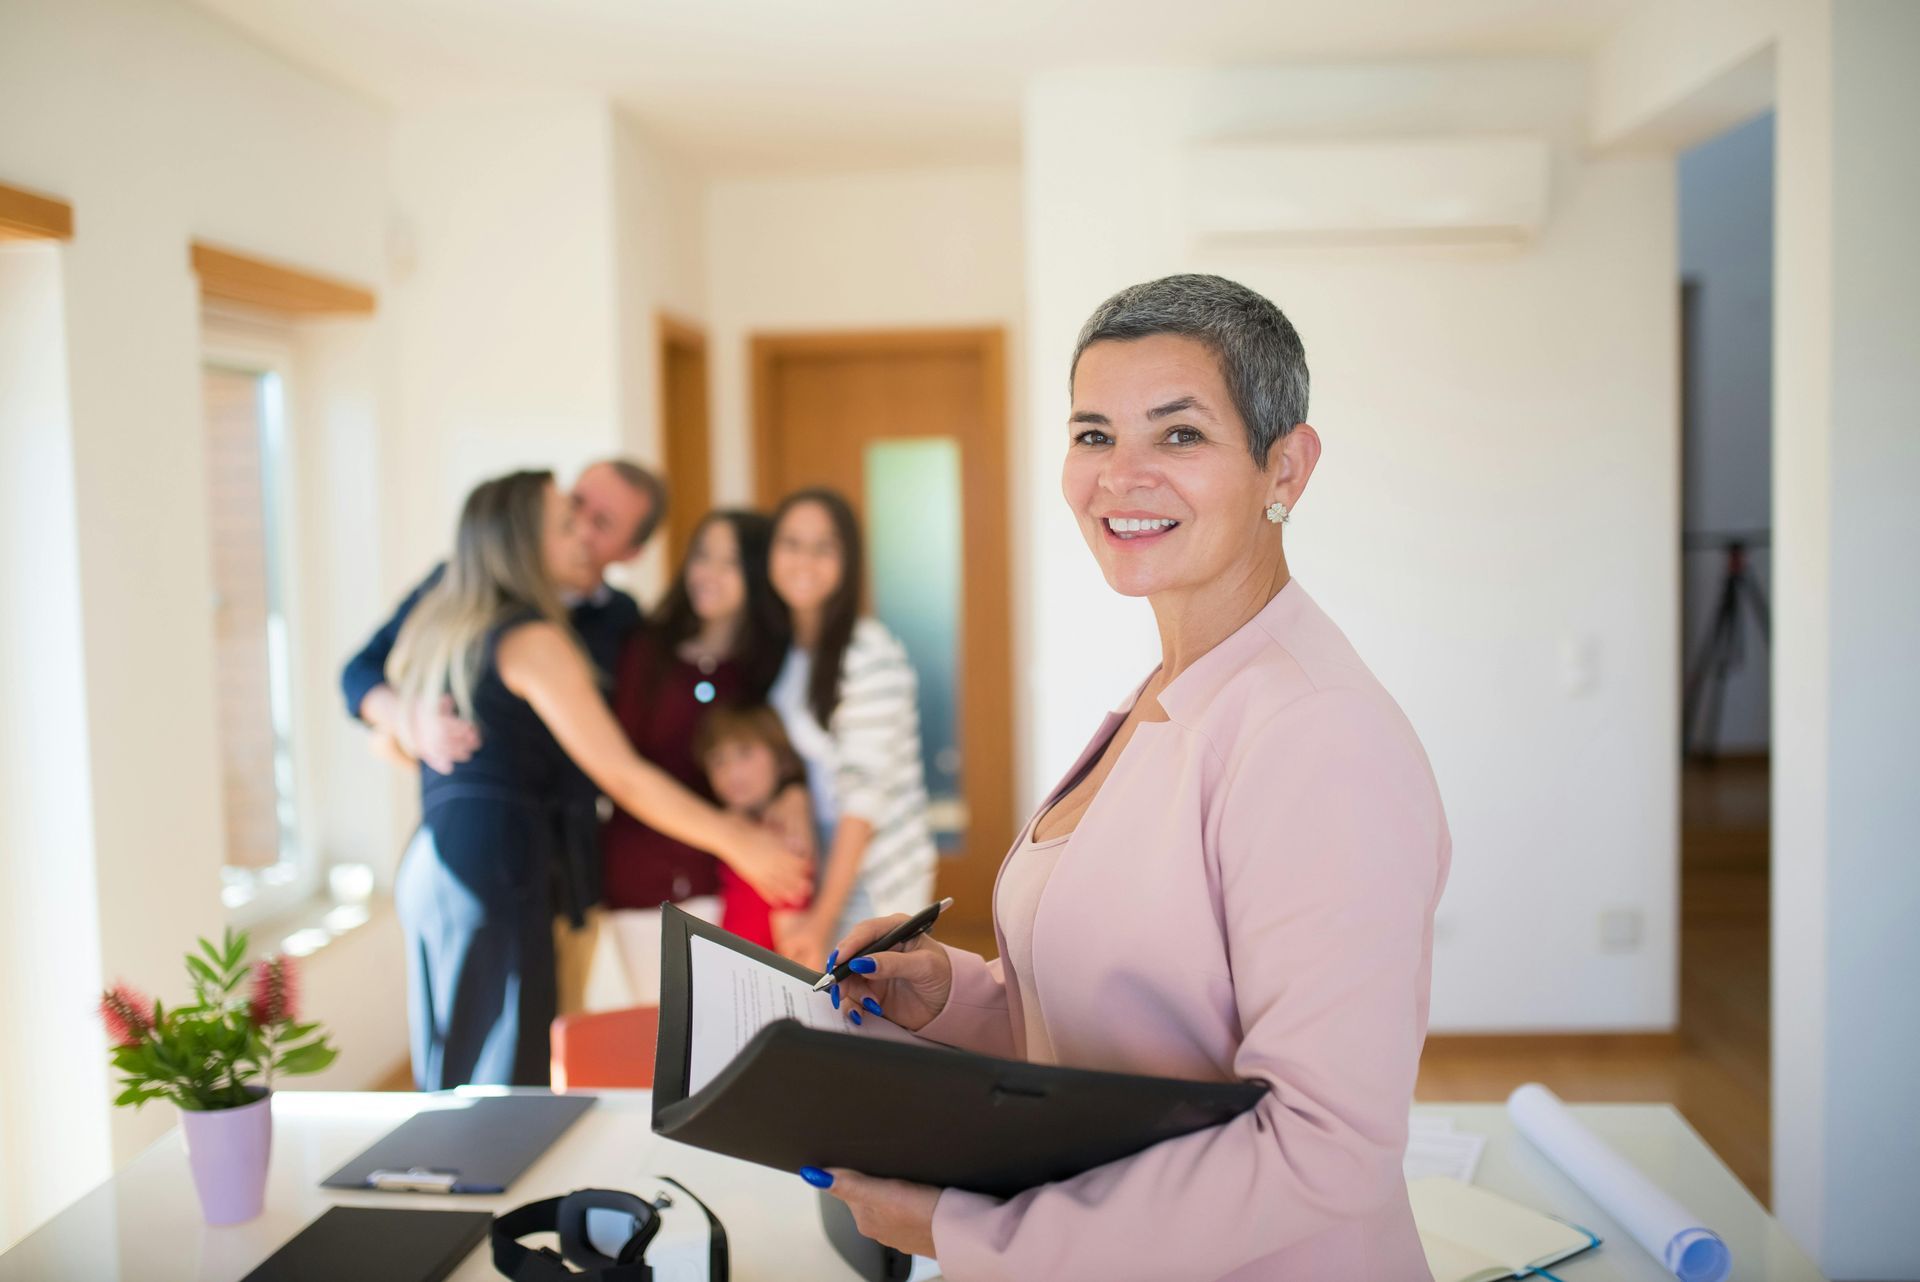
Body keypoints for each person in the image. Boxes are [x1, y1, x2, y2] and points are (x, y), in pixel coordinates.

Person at [811, 274, 1451, 1280]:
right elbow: (1131, 1028)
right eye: (1095, 434)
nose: (1121, 475)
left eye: (1180, 435)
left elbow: (1325, 1147)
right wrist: (952, 995)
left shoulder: (1317, 736)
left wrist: (964, 1235)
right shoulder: (1175, 690)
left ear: (1286, 464)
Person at [384, 470, 809, 1089]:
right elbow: (621, 774)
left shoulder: (453, 625)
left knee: (457, 1074)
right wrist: (739, 840)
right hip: (492, 866)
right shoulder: (531, 638)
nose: (583, 534)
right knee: (503, 1083)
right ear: (525, 544)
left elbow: (406, 741)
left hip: (438, 859)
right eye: (567, 523)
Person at [342, 458, 666, 1015]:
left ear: (630, 553)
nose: (582, 526)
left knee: (548, 1036)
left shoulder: (623, 622)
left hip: (565, 860)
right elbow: (359, 673)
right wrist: (405, 721)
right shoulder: (459, 584)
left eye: (603, 522)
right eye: (576, 505)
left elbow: (621, 754)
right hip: (484, 851)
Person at [584, 510, 795, 1006]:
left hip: (735, 875)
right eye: (702, 556)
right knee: (670, 1032)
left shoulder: (766, 666)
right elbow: (622, 771)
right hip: (642, 875)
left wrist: (793, 796)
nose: (708, 573)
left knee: (740, 1022)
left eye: (730, 563)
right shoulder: (643, 651)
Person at [764, 489, 937, 970]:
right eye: (791, 543)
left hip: (865, 869)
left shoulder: (869, 653)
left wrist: (822, 919)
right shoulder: (782, 650)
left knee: (860, 1025)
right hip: (809, 858)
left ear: (848, 561)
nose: (805, 560)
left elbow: (865, 800)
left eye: (824, 547)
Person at [695, 705, 817, 951]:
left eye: (745, 752)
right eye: (718, 760)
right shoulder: (729, 826)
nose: (731, 771)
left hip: (761, 976)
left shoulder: (787, 830)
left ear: (781, 759)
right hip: (733, 968)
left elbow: (793, 935)